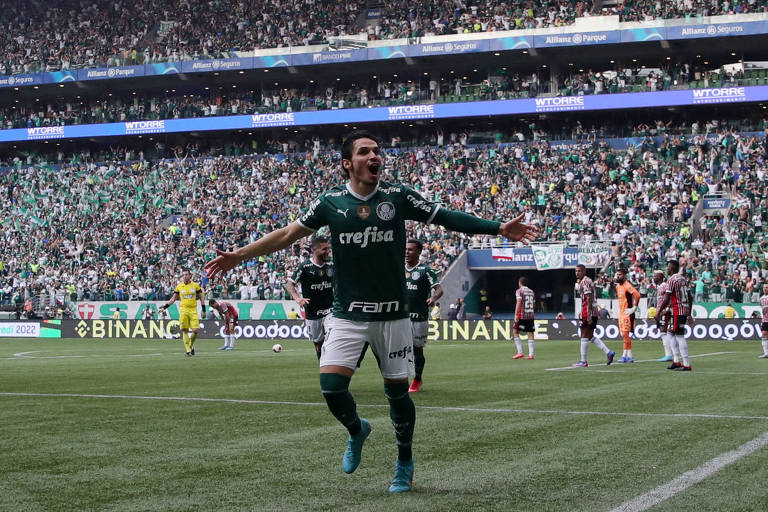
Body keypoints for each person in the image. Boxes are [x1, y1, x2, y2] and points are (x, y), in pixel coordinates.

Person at [204, 130, 537, 493]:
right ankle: (357, 429)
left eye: (377, 150)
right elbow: (287, 234)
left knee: (397, 393)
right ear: (348, 163)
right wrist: (240, 255)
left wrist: (500, 227)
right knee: (331, 388)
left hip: (393, 317)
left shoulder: (397, 196)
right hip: (347, 314)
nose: (375, 155)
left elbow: (447, 217)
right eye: (365, 152)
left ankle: (404, 461)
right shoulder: (329, 203)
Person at [284, 236, 334, 359]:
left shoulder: (332, 264)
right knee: (318, 344)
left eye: (328, 248)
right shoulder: (305, 267)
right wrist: (298, 298)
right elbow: (289, 284)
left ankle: (333, 365)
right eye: (324, 249)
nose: (328, 251)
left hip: (331, 310)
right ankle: (323, 366)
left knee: (333, 340)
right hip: (312, 312)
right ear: (315, 250)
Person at [404, 239, 443, 393]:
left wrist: (433, 298)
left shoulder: (425, 271)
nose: (407, 252)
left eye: (411, 250)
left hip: (418, 318)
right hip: (400, 317)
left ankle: (417, 378)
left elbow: (439, 289)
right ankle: (401, 378)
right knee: (398, 350)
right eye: (406, 249)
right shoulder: (399, 269)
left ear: (419, 252)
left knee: (417, 350)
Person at [572, 264, 615, 367]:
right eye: (576, 271)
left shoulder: (585, 281)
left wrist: (589, 314)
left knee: (583, 334)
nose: (577, 273)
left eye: (579, 271)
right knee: (590, 336)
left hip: (588, 312)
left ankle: (583, 361)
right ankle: (608, 352)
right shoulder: (585, 281)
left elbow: (589, 298)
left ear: (584, 271)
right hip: (592, 311)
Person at [655, 260, 693, 371]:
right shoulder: (683, 279)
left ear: (671, 268)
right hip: (683, 310)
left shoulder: (671, 280)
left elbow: (666, 298)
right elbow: (690, 297)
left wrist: (659, 312)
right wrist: (689, 313)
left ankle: (686, 364)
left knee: (679, 336)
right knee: (670, 333)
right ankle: (676, 361)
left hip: (677, 310)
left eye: (668, 267)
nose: (667, 269)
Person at [160, 269, 205, 357]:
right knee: (185, 330)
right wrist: (165, 307)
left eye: (186, 274)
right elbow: (173, 299)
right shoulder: (179, 287)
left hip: (193, 310)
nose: (185, 276)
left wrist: (203, 310)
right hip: (183, 310)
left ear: (190, 276)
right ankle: (188, 351)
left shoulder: (195, 286)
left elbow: (201, 298)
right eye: (183, 275)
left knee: (195, 330)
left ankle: (191, 346)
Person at [615, 267, 641, 363]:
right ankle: (628, 355)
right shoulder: (618, 286)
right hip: (621, 314)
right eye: (617, 274)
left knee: (626, 335)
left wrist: (634, 308)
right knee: (624, 335)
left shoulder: (627, 285)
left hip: (627, 313)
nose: (618, 276)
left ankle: (626, 355)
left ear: (625, 275)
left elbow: (637, 295)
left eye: (620, 274)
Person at [652, 270, 674, 362]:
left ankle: (669, 355)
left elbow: (670, 297)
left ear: (660, 276)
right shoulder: (659, 287)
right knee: (663, 332)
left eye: (655, 276)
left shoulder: (665, 285)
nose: (654, 278)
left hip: (664, 312)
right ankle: (668, 354)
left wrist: (667, 309)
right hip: (660, 312)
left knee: (663, 331)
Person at [512, 276, 536, 360]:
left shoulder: (519, 291)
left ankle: (520, 353)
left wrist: (516, 314)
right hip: (530, 315)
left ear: (520, 283)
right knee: (530, 333)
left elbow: (518, 303)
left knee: (515, 331)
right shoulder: (531, 292)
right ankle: (531, 355)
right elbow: (533, 305)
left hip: (522, 315)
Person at [759, 283, 768, 358]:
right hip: (765, 320)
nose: (765, 289)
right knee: (764, 334)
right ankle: (766, 353)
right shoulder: (761, 298)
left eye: (767, 287)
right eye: (764, 288)